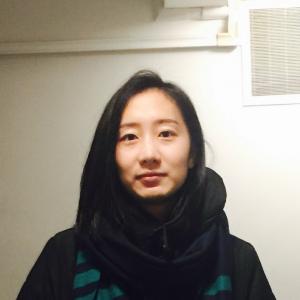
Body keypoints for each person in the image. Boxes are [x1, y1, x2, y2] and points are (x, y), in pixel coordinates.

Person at [17, 70, 276, 300]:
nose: (148, 154)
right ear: (110, 155)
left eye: (166, 133)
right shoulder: (66, 256)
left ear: (193, 152)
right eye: (129, 137)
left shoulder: (236, 259)